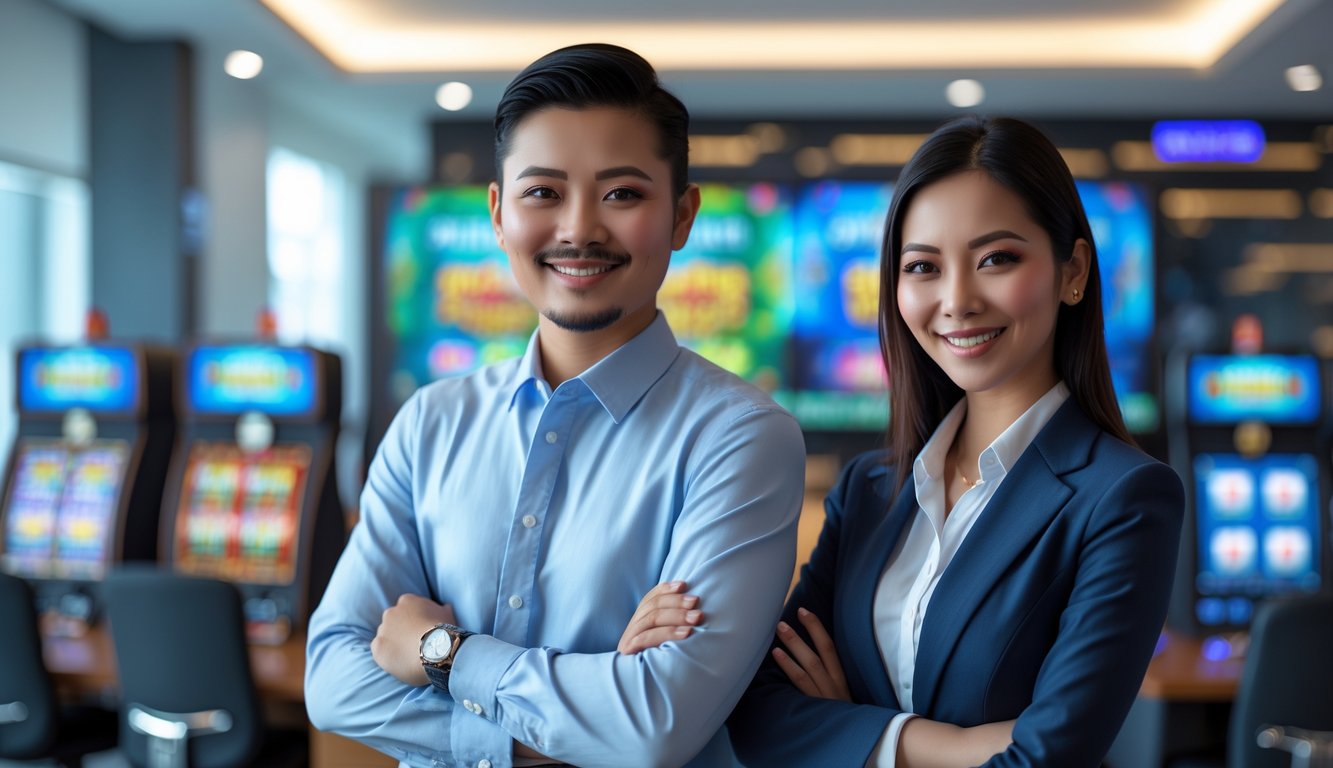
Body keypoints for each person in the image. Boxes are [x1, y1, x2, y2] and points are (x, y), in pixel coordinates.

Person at [304, 43, 806, 768]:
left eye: (622, 194)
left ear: (682, 216)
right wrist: (578, 716)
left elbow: (653, 724)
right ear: (498, 213)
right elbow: (333, 682)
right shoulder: (430, 423)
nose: (578, 229)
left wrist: (442, 653)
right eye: (542, 192)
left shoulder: (741, 438)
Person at [645, 115, 1183, 766]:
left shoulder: (1123, 497)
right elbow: (758, 714)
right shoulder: (871, 489)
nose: (955, 300)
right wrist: (947, 745)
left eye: (995, 259)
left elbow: (1046, 758)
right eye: (923, 266)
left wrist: (852, 730)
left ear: (1072, 271)